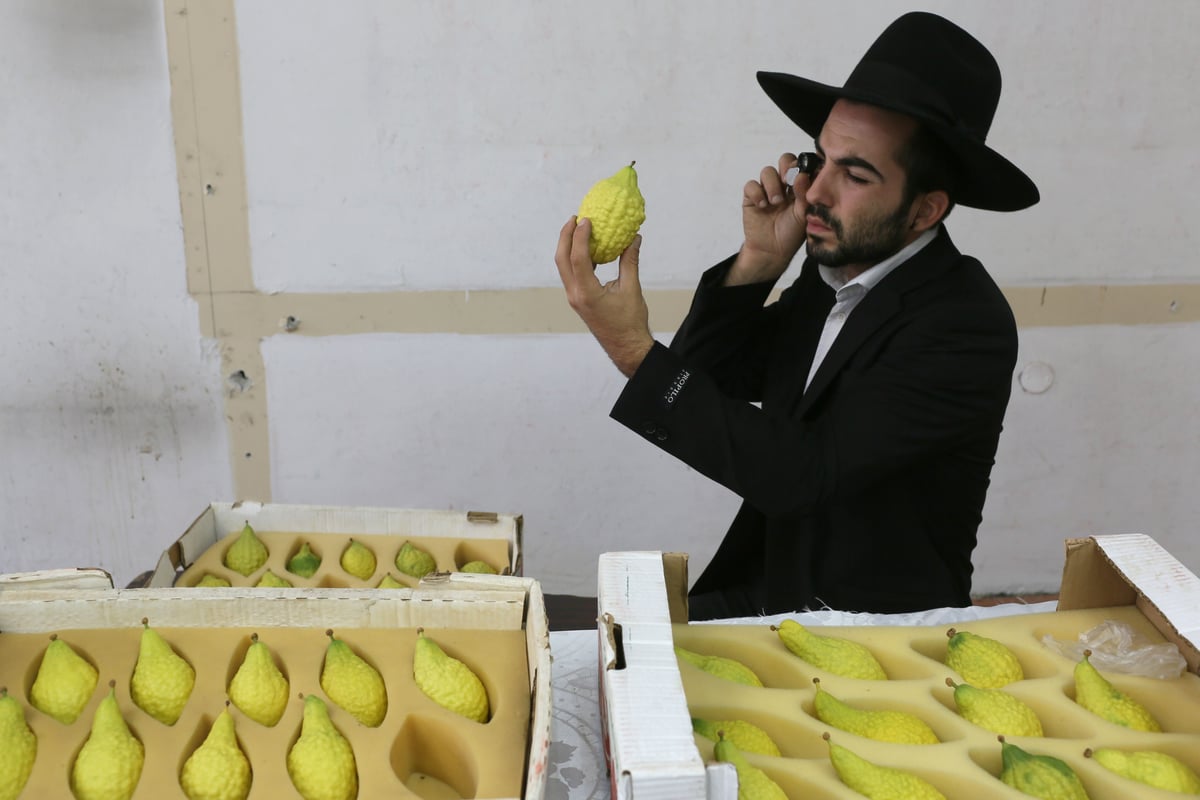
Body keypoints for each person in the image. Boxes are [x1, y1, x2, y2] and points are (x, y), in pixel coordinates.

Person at [555, 12, 1039, 620]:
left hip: (872, 632)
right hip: (769, 595)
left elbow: (801, 475)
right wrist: (758, 261)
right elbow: (707, 374)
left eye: (855, 174)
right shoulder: (829, 274)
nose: (813, 193)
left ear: (924, 211)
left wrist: (630, 349)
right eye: (820, 160)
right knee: (553, 633)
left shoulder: (965, 325)